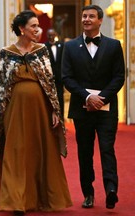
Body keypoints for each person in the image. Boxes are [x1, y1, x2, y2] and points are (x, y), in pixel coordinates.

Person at [0, 10, 72, 216]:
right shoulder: (6, 52)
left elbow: (50, 83)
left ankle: (42, 198)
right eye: (33, 26)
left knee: (39, 150)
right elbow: (0, 86)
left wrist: (55, 110)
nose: (38, 30)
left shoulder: (42, 51)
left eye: (38, 26)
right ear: (21, 29)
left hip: (40, 110)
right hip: (15, 110)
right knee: (16, 151)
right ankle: (17, 201)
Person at [61, 5, 125, 209]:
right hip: (82, 109)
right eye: (84, 16)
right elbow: (67, 78)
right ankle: (88, 193)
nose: (87, 19)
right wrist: (88, 97)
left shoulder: (114, 46)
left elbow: (119, 77)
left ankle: (111, 190)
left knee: (107, 149)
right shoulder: (70, 47)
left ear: (100, 21)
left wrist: (102, 98)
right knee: (85, 153)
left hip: (107, 110)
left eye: (91, 16)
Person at [45, 28, 65, 118]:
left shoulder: (61, 45)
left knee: (60, 98)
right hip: (49, 78)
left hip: (60, 77)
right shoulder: (44, 47)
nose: (51, 37)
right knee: (49, 99)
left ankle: (61, 119)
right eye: (49, 35)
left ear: (55, 35)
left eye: (52, 35)